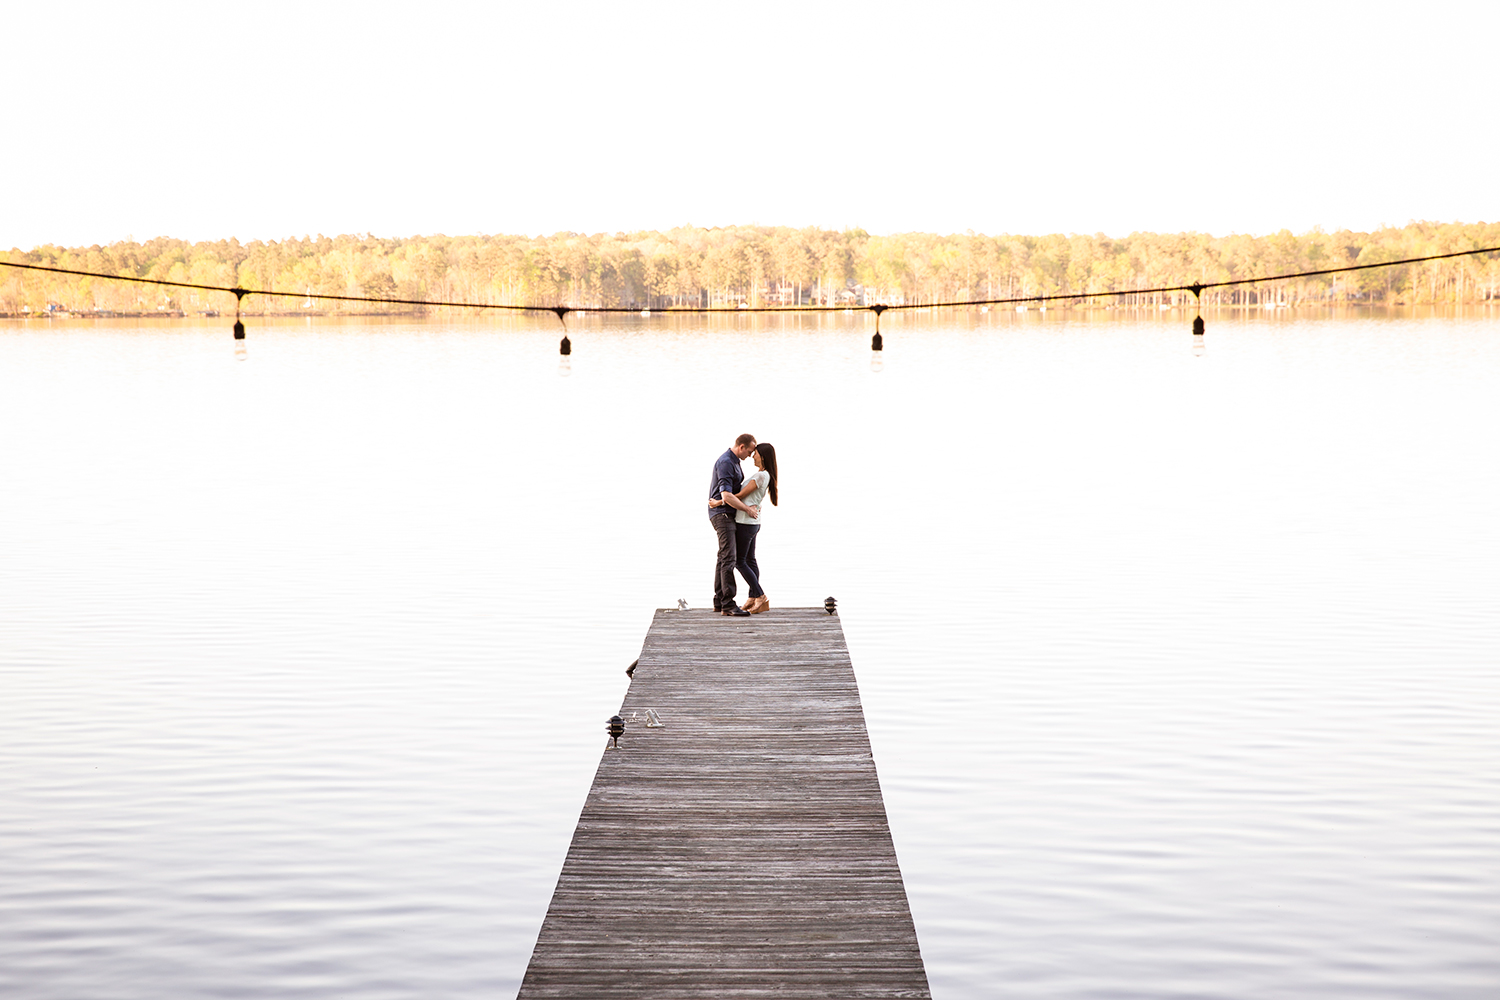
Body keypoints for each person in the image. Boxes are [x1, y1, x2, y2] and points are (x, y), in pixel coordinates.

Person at [712, 442, 778, 614]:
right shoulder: (763, 475)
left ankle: (760, 596)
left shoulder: (761, 476)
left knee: (740, 561)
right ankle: (752, 598)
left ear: (762, 456)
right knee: (749, 560)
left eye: (754, 453)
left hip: (746, 522)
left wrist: (719, 502)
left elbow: (739, 495)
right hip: (751, 522)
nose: (752, 456)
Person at [707, 434, 757, 616]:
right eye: (750, 451)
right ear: (741, 446)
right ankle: (728, 604)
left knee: (723, 557)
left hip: (724, 512)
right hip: (723, 515)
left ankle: (719, 601)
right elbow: (727, 495)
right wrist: (748, 510)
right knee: (729, 558)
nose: (751, 455)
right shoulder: (727, 462)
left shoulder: (734, 461)